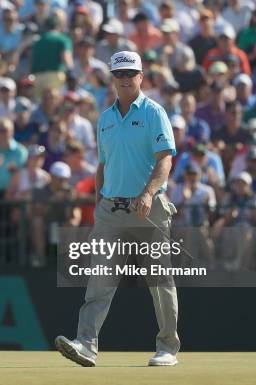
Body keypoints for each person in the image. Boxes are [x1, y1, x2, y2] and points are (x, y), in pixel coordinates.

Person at [55, 51, 180, 367]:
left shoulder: (154, 113)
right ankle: (85, 344)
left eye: (131, 73)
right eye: (119, 74)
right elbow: (103, 165)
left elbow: (165, 158)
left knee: (159, 281)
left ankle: (167, 346)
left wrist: (149, 192)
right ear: (112, 79)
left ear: (141, 76)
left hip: (148, 209)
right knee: (100, 279)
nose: (125, 79)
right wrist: (98, 204)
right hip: (110, 210)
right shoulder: (106, 119)